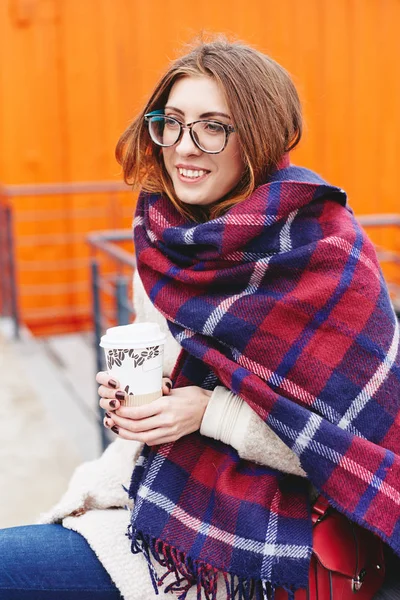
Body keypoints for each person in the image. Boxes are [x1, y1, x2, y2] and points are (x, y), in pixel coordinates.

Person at [1, 37, 399, 600]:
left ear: (260, 137)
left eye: (214, 126)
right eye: (172, 122)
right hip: (160, 500)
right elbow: (173, 379)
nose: (184, 147)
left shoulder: (329, 255)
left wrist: (210, 411)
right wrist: (137, 408)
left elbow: (356, 443)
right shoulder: (164, 244)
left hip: (274, 541)